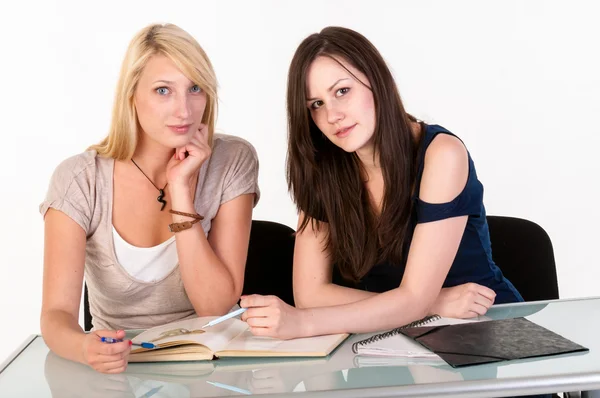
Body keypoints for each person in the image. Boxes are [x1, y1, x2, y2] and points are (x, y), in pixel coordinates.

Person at [241, 26, 522, 339]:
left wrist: (303, 323)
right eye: (316, 105)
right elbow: (311, 294)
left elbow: (411, 300)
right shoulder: (324, 168)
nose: (332, 115)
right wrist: (435, 302)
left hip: (486, 327)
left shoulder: (441, 154)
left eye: (342, 91)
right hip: (394, 336)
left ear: (378, 81)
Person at [39, 23, 259, 373]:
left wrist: (181, 191)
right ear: (132, 96)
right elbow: (56, 316)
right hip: (122, 364)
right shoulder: (81, 180)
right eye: (162, 90)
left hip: (212, 362)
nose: (184, 111)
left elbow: (214, 306)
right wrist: (85, 348)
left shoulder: (231, 160)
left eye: (195, 88)